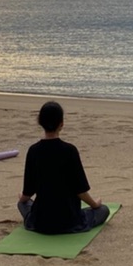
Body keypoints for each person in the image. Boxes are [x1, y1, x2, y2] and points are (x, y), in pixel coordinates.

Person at [17, 100, 109, 234]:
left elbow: (28, 190)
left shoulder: (33, 150)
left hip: (41, 222)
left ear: (40, 122)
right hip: (70, 221)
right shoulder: (70, 151)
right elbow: (81, 191)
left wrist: (22, 199)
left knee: (22, 204)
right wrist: (95, 204)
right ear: (61, 124)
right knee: (103, 210)